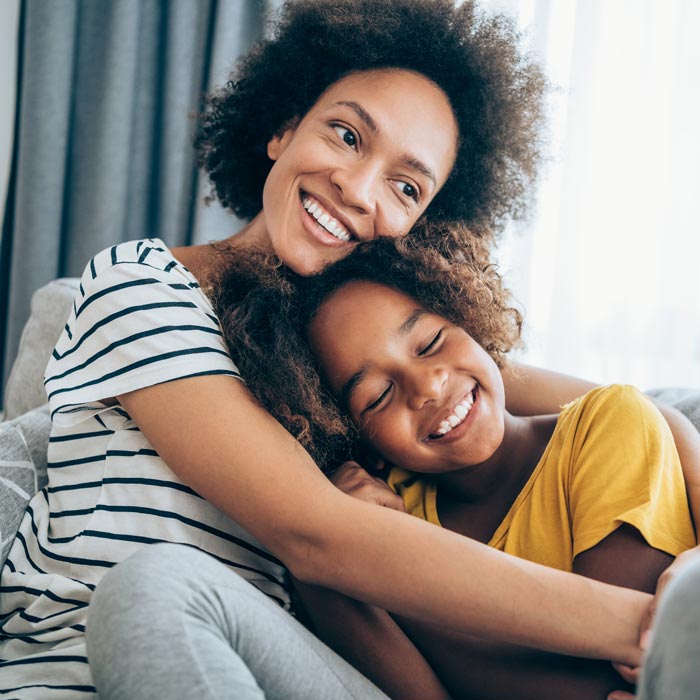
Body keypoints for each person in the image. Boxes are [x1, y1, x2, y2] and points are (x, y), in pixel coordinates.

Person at [1, 1, 697, 698]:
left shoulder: (354, 349)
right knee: (154, 585)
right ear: (282, 127)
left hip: (283, 664)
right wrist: (657, 629)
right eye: (345, 134)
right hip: (82, 658)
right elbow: (314, 535)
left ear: (422, 225)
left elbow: (632, 412)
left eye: (406, 186)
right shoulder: (142, 285)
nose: (357, 188)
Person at [212, 233, 695, 699]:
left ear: (470, 320)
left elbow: (605, 681)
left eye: (429, 344)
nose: (426, 387)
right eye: (378, 396)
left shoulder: (611, 423)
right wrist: (346, 553)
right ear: (359, 441)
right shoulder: (384, 517)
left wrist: (383, 579)